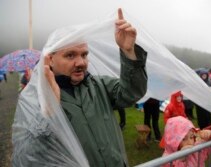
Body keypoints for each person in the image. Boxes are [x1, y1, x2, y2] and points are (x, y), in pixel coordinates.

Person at [12, 8, 147, 167]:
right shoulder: (35, 97)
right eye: (70, 55)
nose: (81, 62)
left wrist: (129, 52)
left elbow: (132, 92)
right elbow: (27, 156)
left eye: (84, 55)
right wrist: (49, 112)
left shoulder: (99, 86)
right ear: (50, 60)